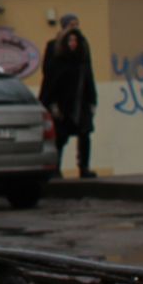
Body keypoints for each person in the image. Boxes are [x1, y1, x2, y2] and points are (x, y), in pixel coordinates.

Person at [39, 15, 97, 177]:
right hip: (61, 100)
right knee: (60, 136)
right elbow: (49, 76)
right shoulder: (54, 47)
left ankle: (84, 167)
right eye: (71, 25)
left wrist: (92, 99)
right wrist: (52, 102)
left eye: (77, 25)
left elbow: (88, 74)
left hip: (80, 99)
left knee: (84, 133)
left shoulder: (83, 47)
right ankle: (56, 168)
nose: (75, 28)